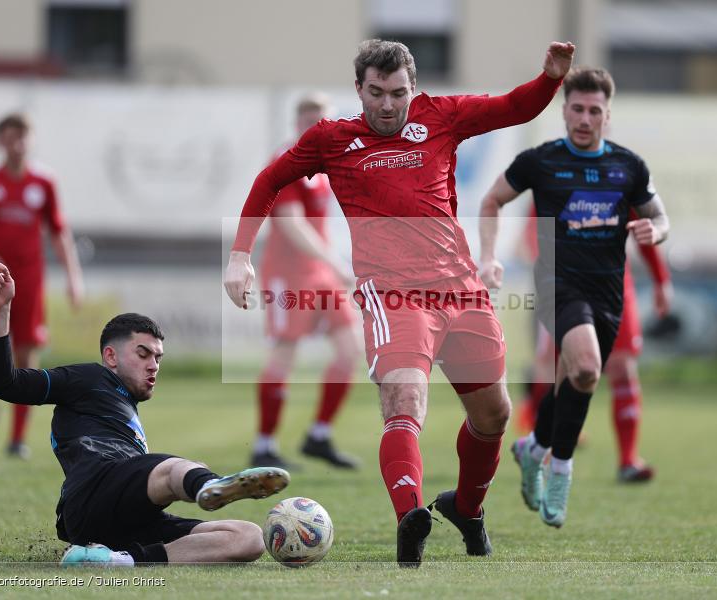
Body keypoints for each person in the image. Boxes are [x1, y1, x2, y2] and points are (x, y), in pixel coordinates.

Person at [225, 39, 575, 566]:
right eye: (376, 93)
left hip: (462, 290)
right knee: (405, 401)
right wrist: (239, 256)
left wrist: (549, 78)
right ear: (359, 89)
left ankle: (467, 509)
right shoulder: (332, 139)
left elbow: (514, 107)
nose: (388, 105)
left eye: (398, 93)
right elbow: (269, 181)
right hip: (393, 295)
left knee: (495, 415)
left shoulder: (442, 115)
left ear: (413, 88)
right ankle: (410, 518)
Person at [0, 263, 290, 566]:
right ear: (110, 356)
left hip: (128, 516)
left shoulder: (127, 408)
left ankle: (120, 559)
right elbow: (4, 383)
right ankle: (209, 485)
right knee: (176, 469)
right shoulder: (86, 378)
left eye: (158, 357)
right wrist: (1, 312)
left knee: (247, 538)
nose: (154, 364)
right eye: (143, 354)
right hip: (94, 492)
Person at [479, 67, 669, 528]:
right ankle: (560, 470)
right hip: (558, 286)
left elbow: (660, 217)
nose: (585, 118)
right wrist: (488, 257)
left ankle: (534, 447)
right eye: (577, 109)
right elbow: (491, 202)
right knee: (585, 367)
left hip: (608, 291)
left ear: (608, 115)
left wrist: (655, 230)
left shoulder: (628, 166)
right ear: (564, 111)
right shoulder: (541, 161)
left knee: (578, 381)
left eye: (595, 110)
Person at [514, 205, 673, 482]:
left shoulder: (623, 172)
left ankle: (628, 461)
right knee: (553, 365)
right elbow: (530, 233)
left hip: (614, 286)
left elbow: (644, 229)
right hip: (562, 284)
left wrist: (661, 279)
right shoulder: (549, 169)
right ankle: (542, 445)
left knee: (622, 366)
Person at [0, 113, 84, 458]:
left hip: (29, 281)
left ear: (31, 140)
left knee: (26, 357)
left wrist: (74, 278)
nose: (17, 145)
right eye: (11, 138)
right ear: (1, 142)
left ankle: (17, 439)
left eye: (23, 137)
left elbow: (60, 232)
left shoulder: (43, 182)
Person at [252, 94, 361, 470]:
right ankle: (263, 446)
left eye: (323, 123)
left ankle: (319, 436)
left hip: (320, 271)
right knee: (285, 352)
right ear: (297, 124)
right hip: (288, 273)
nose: (316, 129)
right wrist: (336, 261)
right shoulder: (287, 163)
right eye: (310, 122)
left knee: (349, 349)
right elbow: (292, 224)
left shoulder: (326, 164)